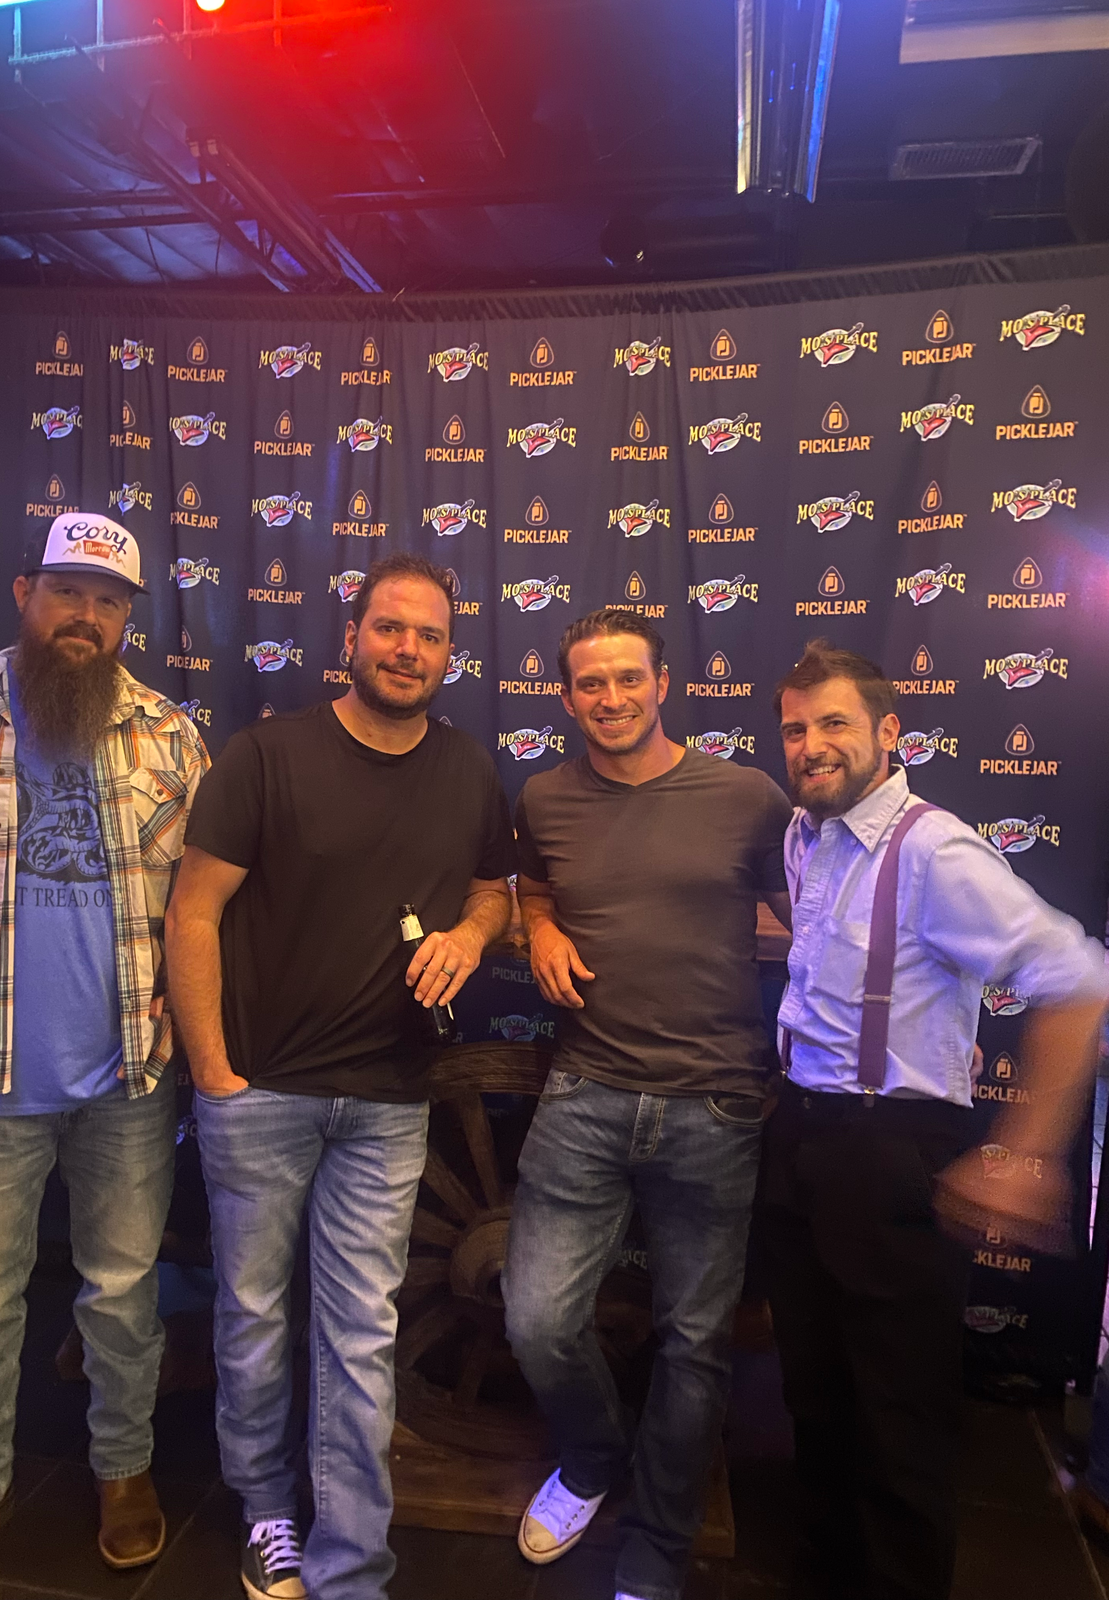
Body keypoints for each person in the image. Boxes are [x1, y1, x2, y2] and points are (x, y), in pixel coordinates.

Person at [164, 552, 515, 1600]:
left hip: (390, 1102)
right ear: (350, 638)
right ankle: (269, 1513)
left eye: (429, 635)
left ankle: (353, 1563)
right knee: (253, 1318)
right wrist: (214, 1074)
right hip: (260, 1090)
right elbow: (193, 913)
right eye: (389, 628)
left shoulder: (468, 770)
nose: (408, 649)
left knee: (362, 1333)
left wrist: (469, 932)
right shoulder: (265, 755)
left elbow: (497, 892)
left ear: (450, 655)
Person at [763, 638, 1108, 1600]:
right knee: (815, 1398)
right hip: (800, 1134)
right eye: (794, 728)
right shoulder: (805, 834)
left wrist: (1028, 1152)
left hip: (891, 1150)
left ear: (889, 733)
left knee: (899, 1422)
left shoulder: (934, 850)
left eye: (834, 723)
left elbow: (1080, 981)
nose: (810, 745)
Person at [0, 514, 208, 1600]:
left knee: (122, 1293)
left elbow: (202, 907)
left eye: (110, 601)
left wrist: (190, 1008)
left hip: (129, 1073)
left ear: (129, 618)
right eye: (69, 592)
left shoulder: (172, 735)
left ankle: (123, 1470)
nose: (87, 616)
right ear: (25, 593)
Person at [501, 608, 793, 1600]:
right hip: (584, 1090)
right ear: (565, 696)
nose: (612, 697)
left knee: (696, 1341)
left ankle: (660, 1546)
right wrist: (541, 927)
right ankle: (593, 1459)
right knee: (536, 1320)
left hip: (717, 1105)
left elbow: (815, 915)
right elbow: (532, 887)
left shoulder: (747, 796)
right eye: (591, 682)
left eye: (630, 678)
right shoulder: (544, 795)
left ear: (664, 684)